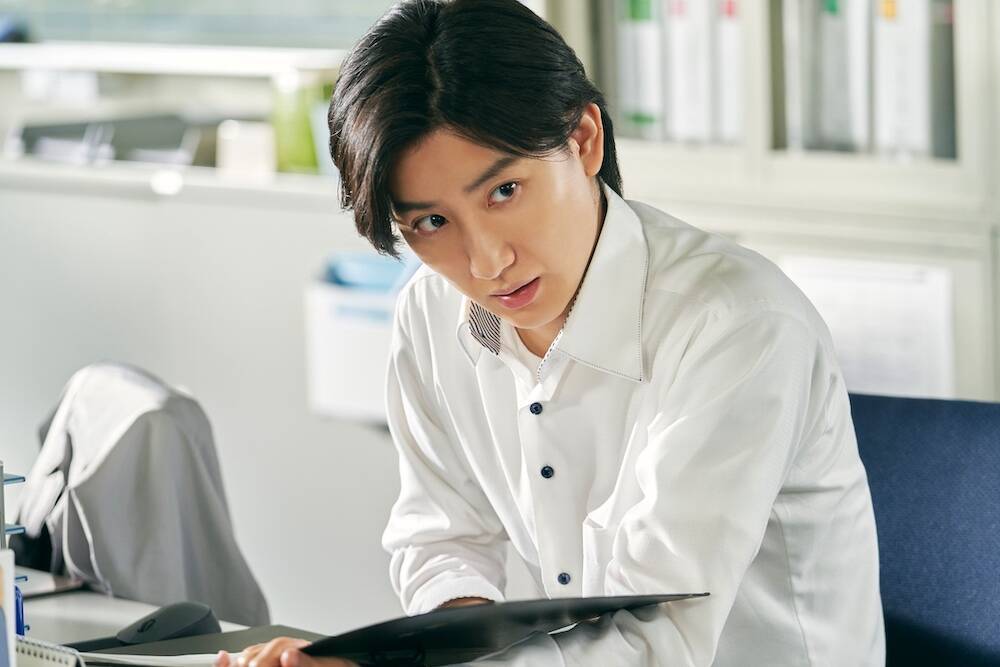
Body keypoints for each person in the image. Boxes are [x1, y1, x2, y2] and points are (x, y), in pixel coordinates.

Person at [215, 0, 885, 665]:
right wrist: (442, 645)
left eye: (504, 192)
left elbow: (657, 638)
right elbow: (443, 540)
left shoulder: (735, 326)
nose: (486, 263)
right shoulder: (430, 311)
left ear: (584, 139)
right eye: (431, 223)